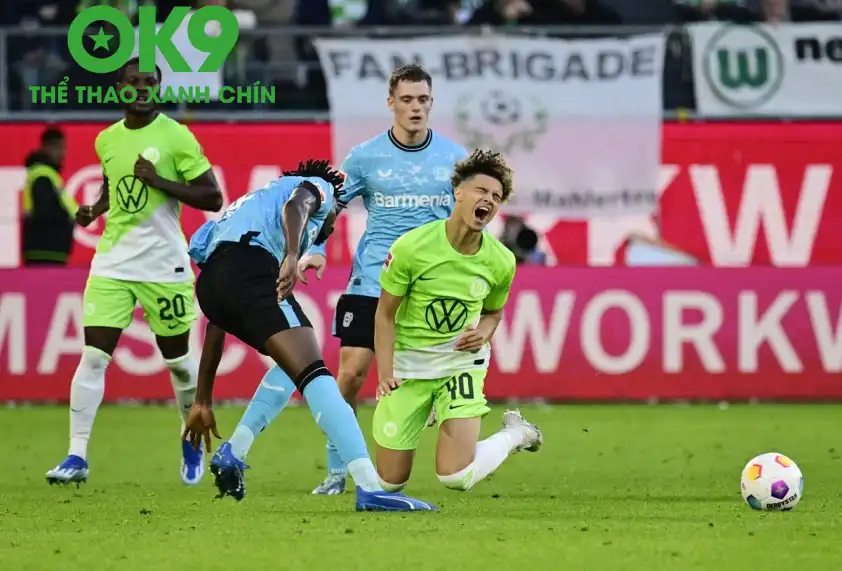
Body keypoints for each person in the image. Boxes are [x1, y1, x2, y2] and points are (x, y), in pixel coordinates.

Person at [181, 160, 436, 512]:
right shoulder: (317, 186)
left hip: (212, 284)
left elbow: (216, 320)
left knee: (295, 363)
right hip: (251, 271)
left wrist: (202, 400)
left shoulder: (249, 209)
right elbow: (298, 204)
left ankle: (234, 452)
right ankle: (369, 487)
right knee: (316, 374)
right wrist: (291, 254)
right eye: (333, 219)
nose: (329, 228)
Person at [45, 57, 223, 487]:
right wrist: (95, 209)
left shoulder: (176, 136)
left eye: (149, 82)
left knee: (179, 365)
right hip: (113, 262)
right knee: (94, 356)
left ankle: (189, 439)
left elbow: (213, 197)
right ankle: (76, 455)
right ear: (119, 88)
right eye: (133, 82)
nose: (142, 88)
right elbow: (114, 186)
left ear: (158, 88)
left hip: (164, 265)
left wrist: (159, 181)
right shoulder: (107, 139)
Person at [374, 149, 542, 493]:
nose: (489, 200)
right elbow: (385, 314)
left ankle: (516, 433)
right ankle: (425, 407)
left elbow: (494, 313)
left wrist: (483, 332)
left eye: (496, 196)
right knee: (389, 484)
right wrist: (385, 374)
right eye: (481, 190)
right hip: (411, 365)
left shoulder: (501, 260)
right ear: (459, 192)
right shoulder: (412, 247)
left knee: (456, 477)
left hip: (459, 365)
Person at [21, 127, 77, 266]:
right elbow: (45, 211)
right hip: (46, 251)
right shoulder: (43, 175)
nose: (63, 153)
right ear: (46, 148)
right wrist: (66, 219)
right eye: (59, 148)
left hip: (47, 251)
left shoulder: (46, 174)